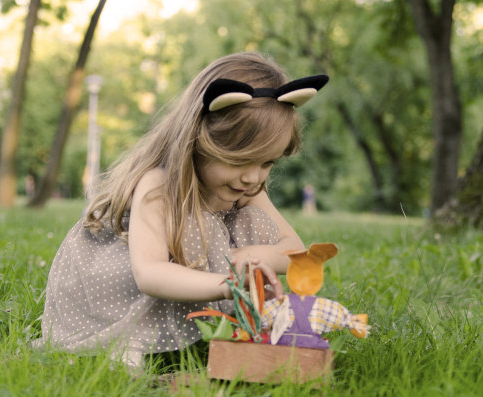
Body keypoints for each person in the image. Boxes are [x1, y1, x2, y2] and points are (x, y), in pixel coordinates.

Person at [33, 52, 329, 369]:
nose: (253, 177)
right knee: (179, 252)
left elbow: (296, 251)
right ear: (198, 141)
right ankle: (128, 340)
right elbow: (150, 274)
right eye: (239, 161)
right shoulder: (158, 185)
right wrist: (229, 285)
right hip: (118, 290)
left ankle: (208, 331)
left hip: (189, 280)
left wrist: (254, 258)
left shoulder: (245, 187)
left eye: (267, 163)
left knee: (251, 223)